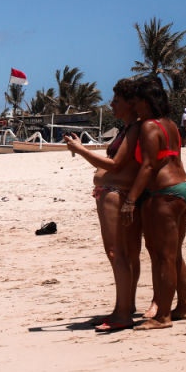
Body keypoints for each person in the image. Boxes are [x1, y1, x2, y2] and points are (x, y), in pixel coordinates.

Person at [65, 78, 144, 332]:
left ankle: (122, 313)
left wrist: (80, 150)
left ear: (131, 104)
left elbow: (115, 166)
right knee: (127, 253)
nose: (111, 105)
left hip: (115, 193)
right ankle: (124, 307)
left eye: (116, 101)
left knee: (116, 253)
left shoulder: (133, 129)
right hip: (114, 191)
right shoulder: (128, 129)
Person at [123, 76, 186, 330]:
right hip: (185, 188)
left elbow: (149, 165)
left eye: (135, 101)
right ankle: (183, 307)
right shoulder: (171, 125)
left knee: (162, 256)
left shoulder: (148, 127)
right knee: (175, 254)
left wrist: (130, 200)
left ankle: (163, 316)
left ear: (145, 101)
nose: (133, 106)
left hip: (164, 193)